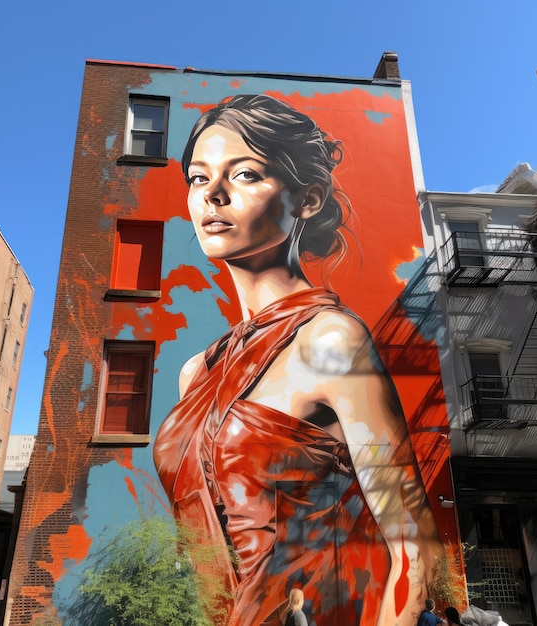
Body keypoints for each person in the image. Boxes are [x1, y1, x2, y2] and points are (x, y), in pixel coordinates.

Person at [153, 94, 441, 626]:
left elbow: (413, 548)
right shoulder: (196, 372)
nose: (212, 195)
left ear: (306, 199)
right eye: (197, 178)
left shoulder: (331, 341)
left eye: (243, 174)